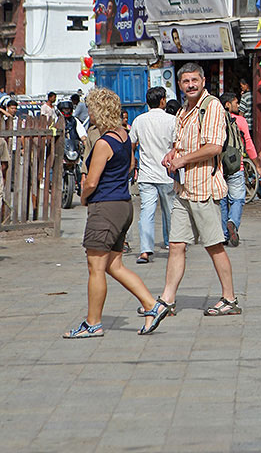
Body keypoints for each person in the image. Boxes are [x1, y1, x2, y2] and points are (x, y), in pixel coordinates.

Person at [62, 87, 167, 338]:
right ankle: (152, 305)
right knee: (114, 265)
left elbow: (91, 182)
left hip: (105, 207)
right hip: (123, 204)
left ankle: (93, 323)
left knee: (95, 266)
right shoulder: (124, 136)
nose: (90, 113)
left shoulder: (103, 142)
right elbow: (131, 165)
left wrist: (84, 198)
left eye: (91, 109)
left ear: (100, 110)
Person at [159, 63, 241, 317]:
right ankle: (167, 300)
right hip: (183, 188)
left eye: (195, 80)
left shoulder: (212, 107)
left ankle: (229, 299)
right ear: (180, 85)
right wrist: (173, 153)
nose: (191, 85)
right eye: (186, 81)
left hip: (204, 186)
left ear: (203, 81)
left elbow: (215, 147)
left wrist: (183, 160)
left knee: (214, 245)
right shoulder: (183, 110)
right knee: (175, 245)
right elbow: (182, 142)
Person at [130, 87, 176, 265]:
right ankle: (173, 245)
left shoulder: (139, 121)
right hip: (167, 173)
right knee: (170, 211)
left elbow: (132, 144)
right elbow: (176, 146)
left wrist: (132, 164)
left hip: (147, 174)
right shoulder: (172, 120)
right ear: (163, 100)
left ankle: (145, 251)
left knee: (146, 213)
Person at [220, 92, 258, 247]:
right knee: (237, 199)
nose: (238, 105)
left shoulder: (216, 120)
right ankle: (233, 222)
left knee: (222, 202)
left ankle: (223, 234)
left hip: (219, 167)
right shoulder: (240, 121)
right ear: (227, 104)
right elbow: (248, 143)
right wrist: (257, 163)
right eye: (235, 102)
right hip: (237, 166)